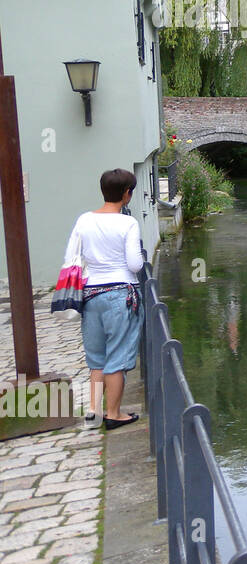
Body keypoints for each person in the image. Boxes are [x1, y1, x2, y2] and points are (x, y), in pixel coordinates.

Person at [63, 168, 147, 428]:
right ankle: (114, 414)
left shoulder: (84, 220)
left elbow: (71, 257)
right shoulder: (127, 223)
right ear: (126, 194)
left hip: (91, 295)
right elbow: (134, 264)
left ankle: (93, 410)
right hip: (120, 295)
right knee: (118, 357)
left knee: (96, 357)